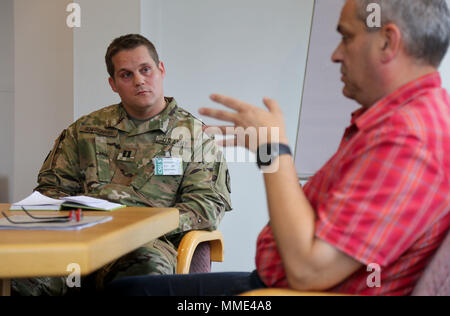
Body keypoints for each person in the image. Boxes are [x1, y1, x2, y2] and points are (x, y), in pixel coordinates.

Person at [106, 0, 450, 296]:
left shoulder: (408, 137)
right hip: (274, 284)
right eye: (126, 75)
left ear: (388, 41)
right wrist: (268, 151)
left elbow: (308, 272)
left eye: (346, 37)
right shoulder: (401, 121)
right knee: (128, 290)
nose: (335, 54)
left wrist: (273, 150)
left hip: (290, 292)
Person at [12, 34, 232, 296]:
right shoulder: (84, 130)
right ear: (113, 84)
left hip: (146, 245)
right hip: (78, 240)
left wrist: (142, 225)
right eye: (126, 75)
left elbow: (205, 206)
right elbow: (51, 190)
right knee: (19, 276)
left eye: (145, 70)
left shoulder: (196, 136)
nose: (139, 80)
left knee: (145, 273)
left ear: (161, 70)